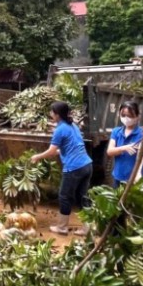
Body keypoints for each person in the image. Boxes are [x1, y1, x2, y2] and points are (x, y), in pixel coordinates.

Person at [31, 101, 93, 236]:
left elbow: (52, 151)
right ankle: (87, 229)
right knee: (82, 197)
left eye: (52, 112)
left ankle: (62, 227)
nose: (50, 114)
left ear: (57, 115)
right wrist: (61, 152)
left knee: (64, 196)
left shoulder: (60, 129)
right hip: (87, 165)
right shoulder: (73, 125)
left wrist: (38, 157)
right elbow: (72, 146)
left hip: (74, 167)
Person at [106, 101, 143, 187]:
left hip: (137, 178)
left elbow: (141, 154)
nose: (126, 118)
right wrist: (124, 148)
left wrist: (138, 173)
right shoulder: (116, 131)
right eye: (123, 115)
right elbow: (109, 151)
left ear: (137, 116)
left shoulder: (142, 133)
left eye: (130, 116)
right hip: (118, 176)